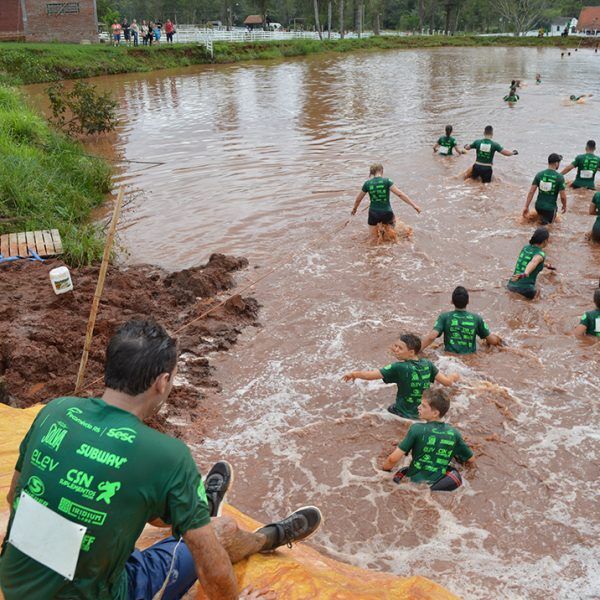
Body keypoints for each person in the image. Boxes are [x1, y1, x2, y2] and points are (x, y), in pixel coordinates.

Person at [0, 320, 321, 600]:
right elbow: (210, 566)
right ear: (162, 382)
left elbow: (14, 496)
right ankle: (265, 537)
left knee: (140, 502)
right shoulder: (167, 455)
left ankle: (192, 509)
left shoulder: (55, 410)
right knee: (219, 531)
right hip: (102, 593)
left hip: (17, 583)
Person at [342, 332, 459, 419]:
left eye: (400, 348)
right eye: (396, 346)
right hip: (422, 413)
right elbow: (447, 382)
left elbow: (370, 376)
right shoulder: (428, 364)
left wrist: (354, 374)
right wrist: (454, 376)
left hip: (402, 413)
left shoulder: (399, 367)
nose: (396, 350)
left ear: (411, 352)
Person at [381, 390, 474, 492]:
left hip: (410, 484)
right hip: (437, 485)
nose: (418, 407)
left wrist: (383, 471)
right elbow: (471, 459)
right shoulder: (454, 433)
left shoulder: (416, 429)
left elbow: (392, 459)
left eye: (424, 406)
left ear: (435, 413)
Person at [351, 163, 421, 243]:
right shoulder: (387, 181)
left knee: (373, 238)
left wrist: (354, 209)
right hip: (387, 212)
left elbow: (358, 199)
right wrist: (414, 205)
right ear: (382, 171)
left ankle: (374, 253)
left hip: (373, 213)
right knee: (392, 237)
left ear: (372, 173)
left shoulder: (367, 184)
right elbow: (400, 194)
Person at [421, 286, 502, 354]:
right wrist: (499, 339)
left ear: (452, 301)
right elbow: (492, 341)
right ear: (468, 301)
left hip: (449, 359)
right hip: (470, 358)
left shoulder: (444, 317)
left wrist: (417, 351)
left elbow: (432, 337)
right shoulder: (476, 318)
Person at [507, 227, 553, 300]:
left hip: (511, 285)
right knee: (540, 295)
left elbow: (530, 261)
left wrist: (546, 265)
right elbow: (533, 262)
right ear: (545, 241)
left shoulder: (525, 248)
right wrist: (525, 273)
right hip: (526, 290)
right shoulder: (540, 254)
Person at [522, 153, 567, 225]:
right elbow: (563, 197)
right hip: (550, 209)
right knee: (549, 228)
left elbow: (531, 192)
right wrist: (564, 206)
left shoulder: (539, 174)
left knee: (540, 223)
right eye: (559, 163)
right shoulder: (560, 177)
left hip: (538, 207)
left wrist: (526, 206)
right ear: (556, 163)